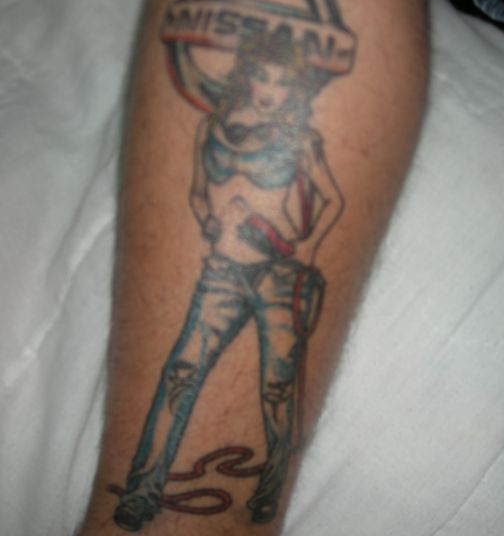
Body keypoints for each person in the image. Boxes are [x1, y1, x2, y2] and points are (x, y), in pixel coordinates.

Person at [112, 29, 343, 530]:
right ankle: (141, 491)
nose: (270, 90)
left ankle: (268, 490)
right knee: (180, 372)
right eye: (262, 76)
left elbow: (332, 200)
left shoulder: (301, 139)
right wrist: (211, 222)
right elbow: (199, 193)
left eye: (281, 82)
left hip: (279, 275)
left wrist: (304, 249)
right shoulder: (211, 129)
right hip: (221, 272)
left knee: (277, 387)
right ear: (246, 77)